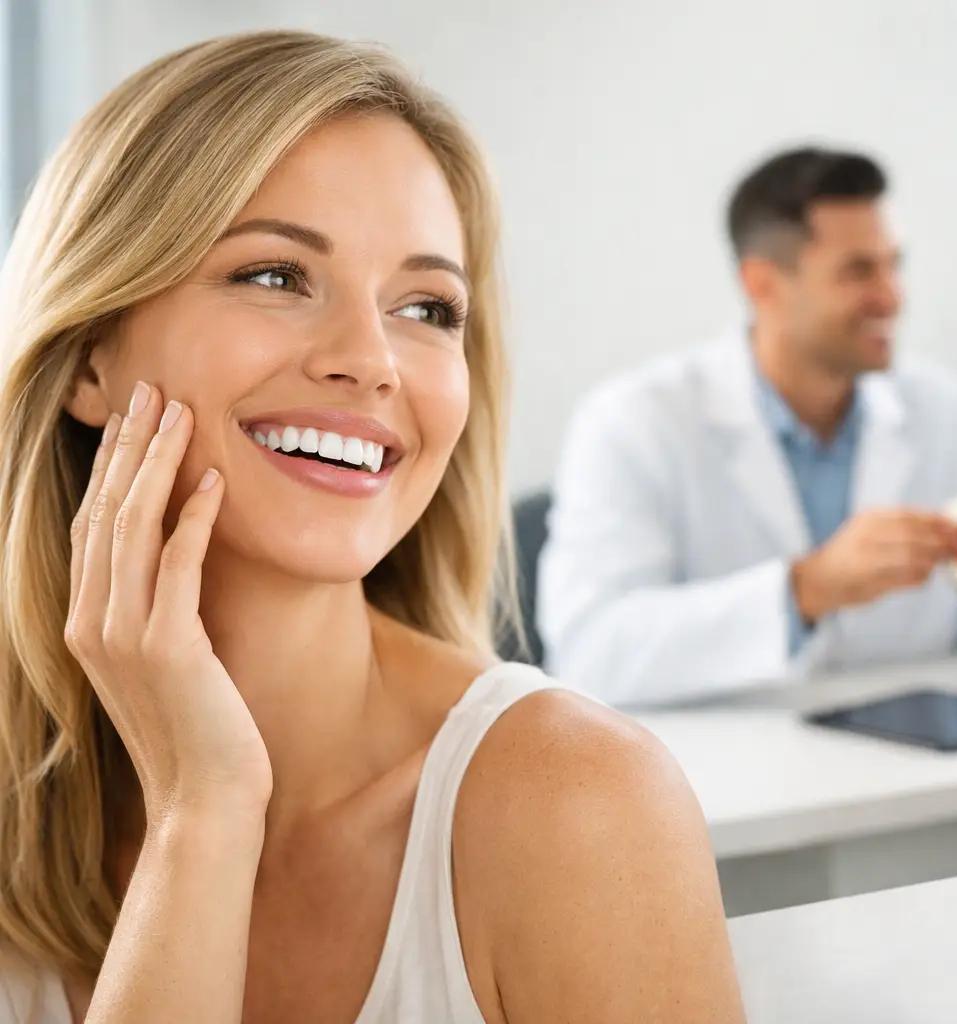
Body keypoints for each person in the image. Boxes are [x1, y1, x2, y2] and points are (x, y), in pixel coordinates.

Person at [0, 31, 743, 1022]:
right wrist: (205, 814)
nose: (373, 359)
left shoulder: (582, 806)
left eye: (428, 306)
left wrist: (202, 811)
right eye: (274, 275)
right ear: (91, 354)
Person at [538, 147, 957, 707]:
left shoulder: (945, 413)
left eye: (894, 264)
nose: (893, 297)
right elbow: (591, 651)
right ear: (763, 284)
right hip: (723, 783)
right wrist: (807, 589)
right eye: (859, 271)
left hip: (917, 771)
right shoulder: (635, 423)